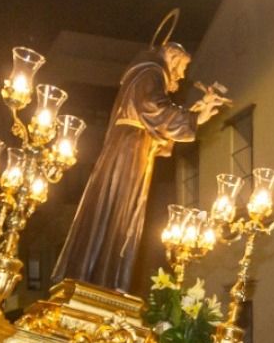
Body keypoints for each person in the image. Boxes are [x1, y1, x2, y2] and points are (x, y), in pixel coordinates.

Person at [52, 39, 229, 293]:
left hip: (133, 150)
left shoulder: (147, 74)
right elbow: (151, 109)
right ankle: (101, 282)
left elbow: (155, 122)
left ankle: (103, 279)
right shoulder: (150, 71)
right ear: (170, 56)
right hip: (129, 153)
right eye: (182, 67)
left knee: (117, 218)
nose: (181, 75)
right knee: (117, 213)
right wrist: (193, 118)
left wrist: (191, 114)